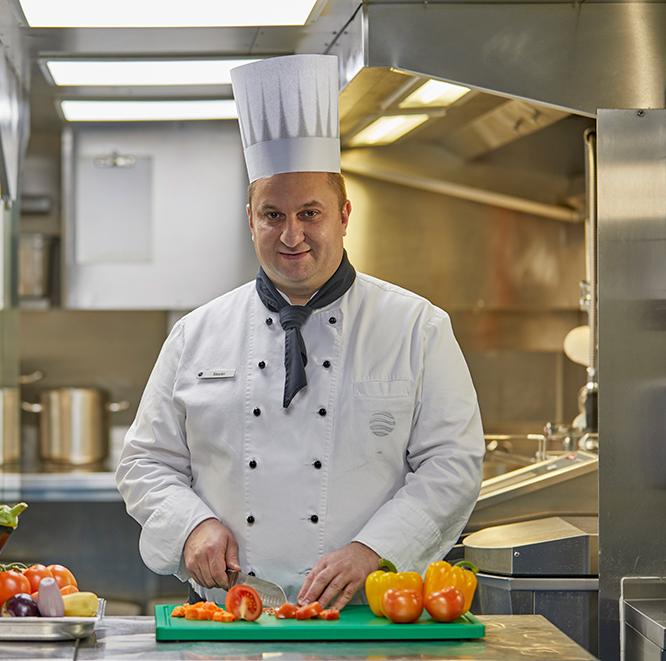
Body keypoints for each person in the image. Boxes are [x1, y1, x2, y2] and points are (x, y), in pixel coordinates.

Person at [115, 54, 485, 611]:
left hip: (368, 611)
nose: (292, 235)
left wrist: (373, 550)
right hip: (229, 611)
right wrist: (191, 527)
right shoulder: (196, 334)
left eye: (310, 213)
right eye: (273, 215)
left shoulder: (417, 327)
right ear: (250, 218)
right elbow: (145, 462)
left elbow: (452, 463)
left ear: (343, 214)